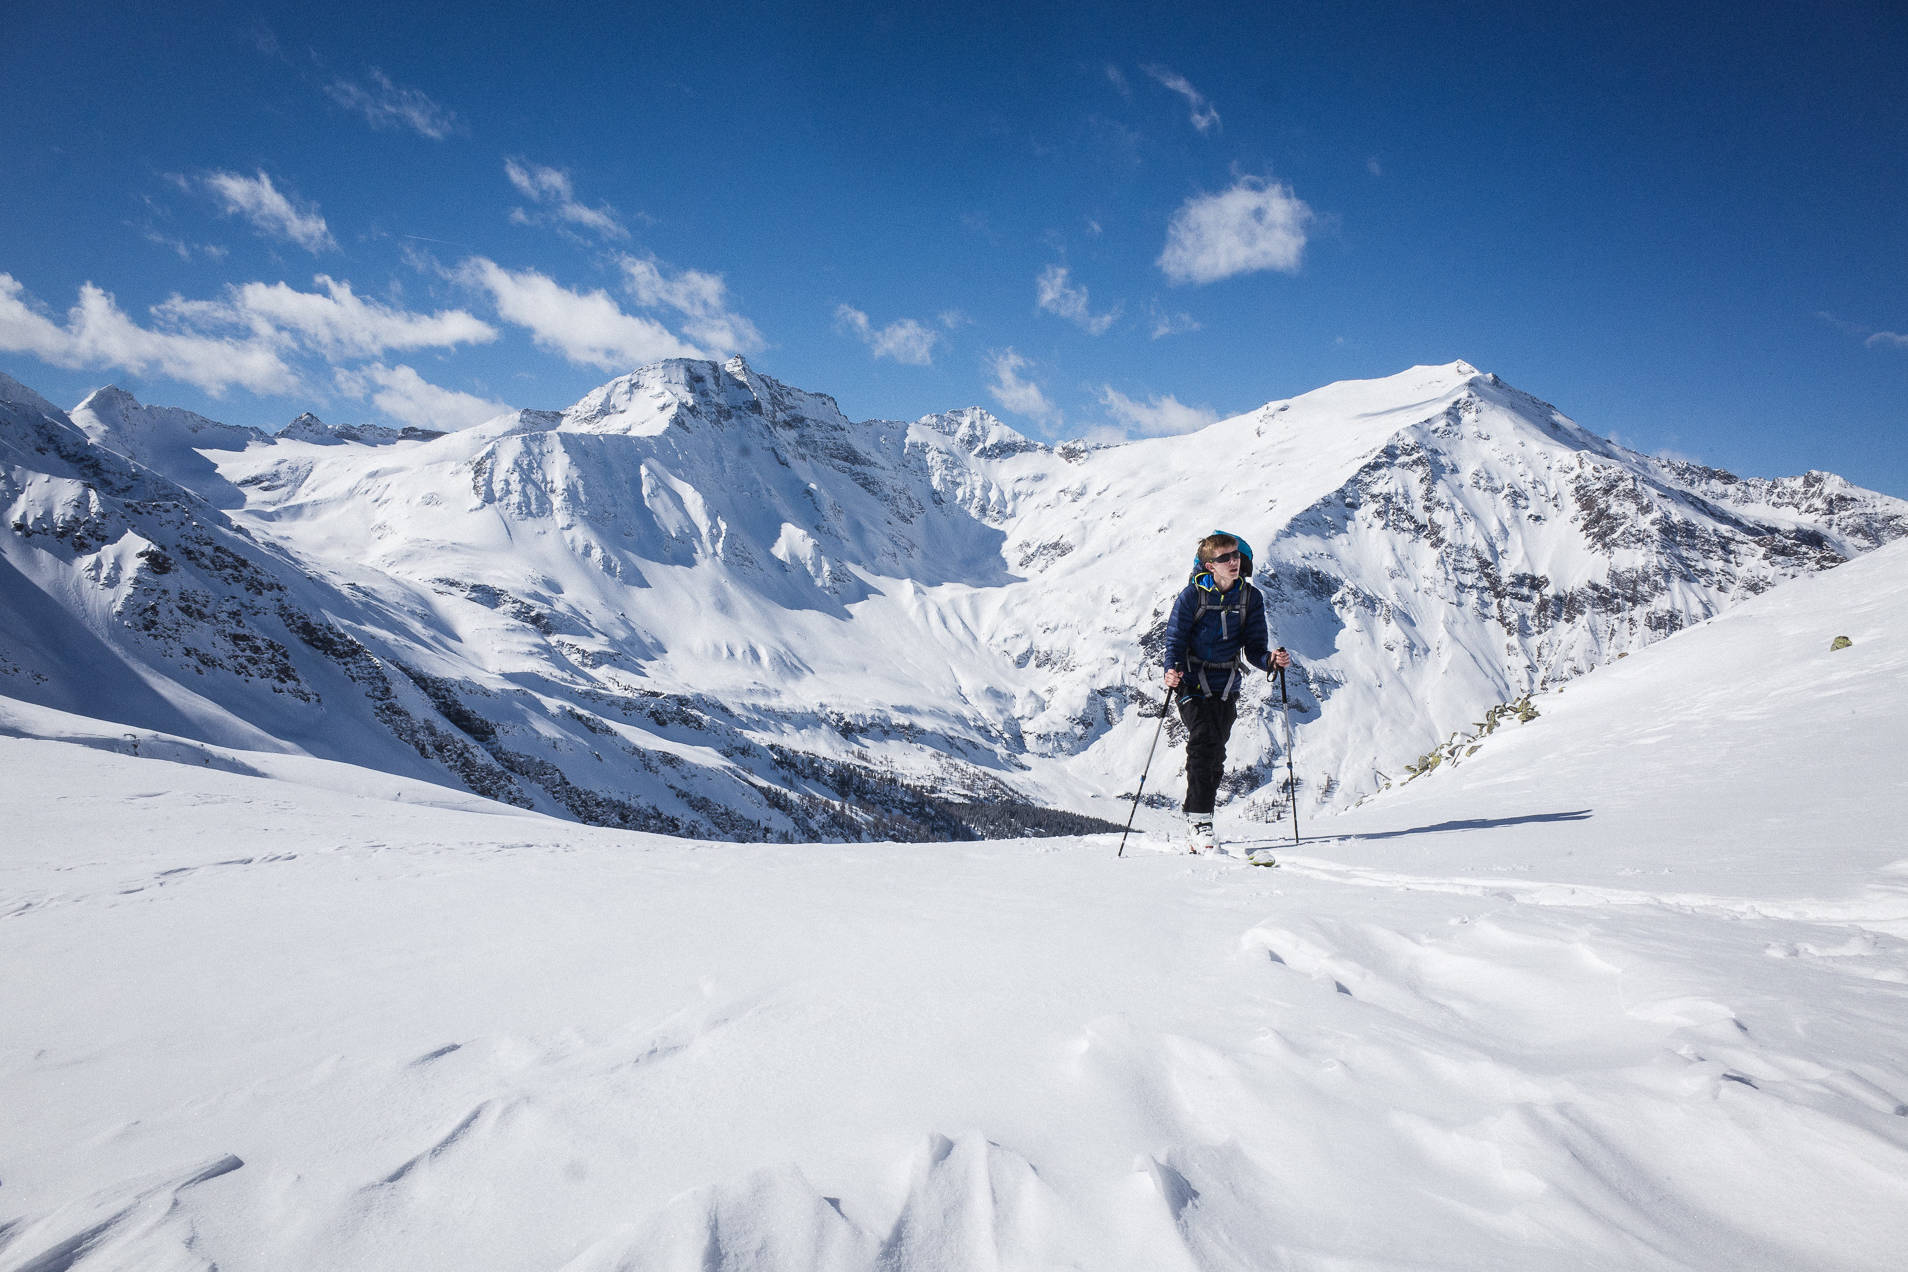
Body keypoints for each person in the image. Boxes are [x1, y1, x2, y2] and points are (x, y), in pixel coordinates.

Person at [1162, 532, 1292, 853]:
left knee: (1215, 752)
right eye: (1225, 558)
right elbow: (1175, 639)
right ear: (1210, 565)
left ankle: (1197, 817)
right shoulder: (1191, 597)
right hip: (1191, 681)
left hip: (1227, 685)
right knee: (1203, 742)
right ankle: (1199, 822)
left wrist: (1270, 660)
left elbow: (1254, 648)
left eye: (1235, 556)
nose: (1234, 562)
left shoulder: (1250, 598)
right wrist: (1172, 669)